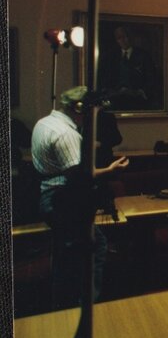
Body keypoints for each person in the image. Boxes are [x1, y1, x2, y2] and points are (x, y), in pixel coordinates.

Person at [31, 86, 129, 309]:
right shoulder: (67, 134)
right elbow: (78, 177)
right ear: (79, 109)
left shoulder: (43, 123)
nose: (93, 120)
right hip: (63, 200)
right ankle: (84, 309)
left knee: (65, 256)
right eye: (92, 113)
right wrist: (111, 171)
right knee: (93, 249)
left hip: (48, 195)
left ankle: (63, 308)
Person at [102, 25, 156, 110]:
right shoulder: (111, 57)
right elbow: (106, 79)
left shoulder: (143, 56)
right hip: (115, 101)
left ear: (131, 37)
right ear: (117, 40)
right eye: (120, 38)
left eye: (126, 36)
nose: (124, 40)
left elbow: (151, 79)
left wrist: (138, 92)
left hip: (137, 102)